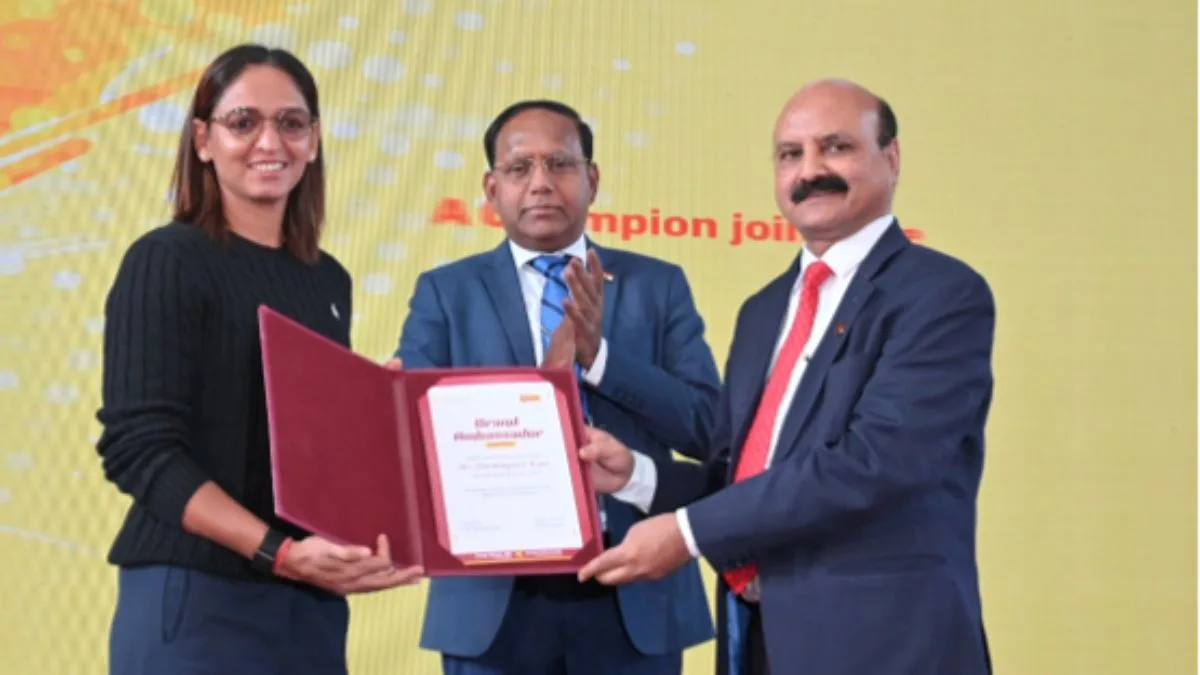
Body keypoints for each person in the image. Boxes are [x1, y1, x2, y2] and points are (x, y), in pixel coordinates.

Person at [576, 79, 996, 675]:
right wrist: (637, 477)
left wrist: (688, 534)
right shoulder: (764, 310)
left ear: (892, 158)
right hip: (760, 638)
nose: (810, 171)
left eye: (836, 147)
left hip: (885, 644)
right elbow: (739, 478)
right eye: (790, 154)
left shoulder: (940, 294)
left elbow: (875, 461)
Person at [95, 43, 422, 675]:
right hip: (197, 598)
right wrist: (278, 552)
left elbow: (295, 453)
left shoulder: (327, 280)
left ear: (314, 140)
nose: (269, 142)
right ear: (203, 139)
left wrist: (373, 416)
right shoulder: (167, 260)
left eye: (291, 123)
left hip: (308, 604)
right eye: (243, 122)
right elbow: (141, 450)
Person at [390, 99, 721, 674]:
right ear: (492, 188)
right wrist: (383, 403)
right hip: (491, 598)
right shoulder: (446, 293)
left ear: (592, 179)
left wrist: (601, 359)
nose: (541, 183)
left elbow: (707, 429)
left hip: (632, 584)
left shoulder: (658, 286)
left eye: (560, 164)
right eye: (520, 168)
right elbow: (409, 438)